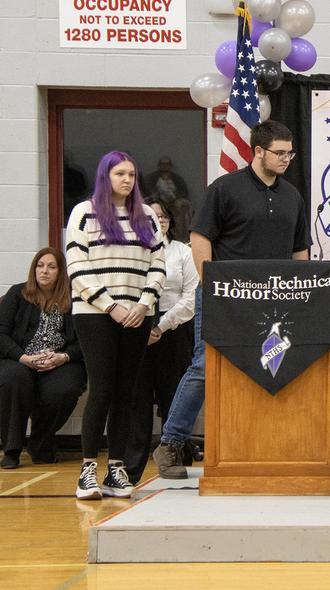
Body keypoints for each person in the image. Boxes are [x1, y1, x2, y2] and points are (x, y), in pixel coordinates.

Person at [153, 120, 312, 479]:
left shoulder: (292, 195)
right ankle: (171, 444)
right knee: (205, 368)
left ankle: (256, 444)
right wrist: (212, 283)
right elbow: (200, 237)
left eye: (290, 152)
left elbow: (299, 248)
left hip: (274, 299)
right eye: (280, 152)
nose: (287, 158)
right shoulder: (225, 188)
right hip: (224, 294)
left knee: (269, 368)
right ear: (258, 151)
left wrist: (302, 292)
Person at [66, 151, 165, 499]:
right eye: (120, 173)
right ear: (105, 176)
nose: (127, 180)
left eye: (132, 174)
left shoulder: (147, 216)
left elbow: (158, 263)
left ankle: (117, 470)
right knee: (103, 388)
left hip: (137, 313)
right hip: (95, 315)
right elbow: (77, 268)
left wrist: (144, 303)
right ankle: (88, 470)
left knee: (128, 392)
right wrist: (111, 306)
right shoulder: (85, 212)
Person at [123, 198, 199, 484]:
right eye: (155, 216)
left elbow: (191, 296)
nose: (161, 221)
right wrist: (143, 327)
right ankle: (129, 471)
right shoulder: (131, 252)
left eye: (165, 216)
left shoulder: (183, 252)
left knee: (174, 399)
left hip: (174, 331)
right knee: (137, 403)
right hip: (136, 328)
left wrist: (161, 327)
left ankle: (179, 461)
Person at [0, 248, 86, 469]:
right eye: (40, 265)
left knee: (65, 388)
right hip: (20, 359)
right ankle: (11, 449)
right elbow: (1, 333)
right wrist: (23, 358)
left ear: (61, 272)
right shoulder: (17, 294)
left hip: (58, 361)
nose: (44, 271)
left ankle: (40, 443)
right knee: (13, 379)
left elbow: (84, 340)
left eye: (51, 266)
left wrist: (64, 357)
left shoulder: (74, 297)